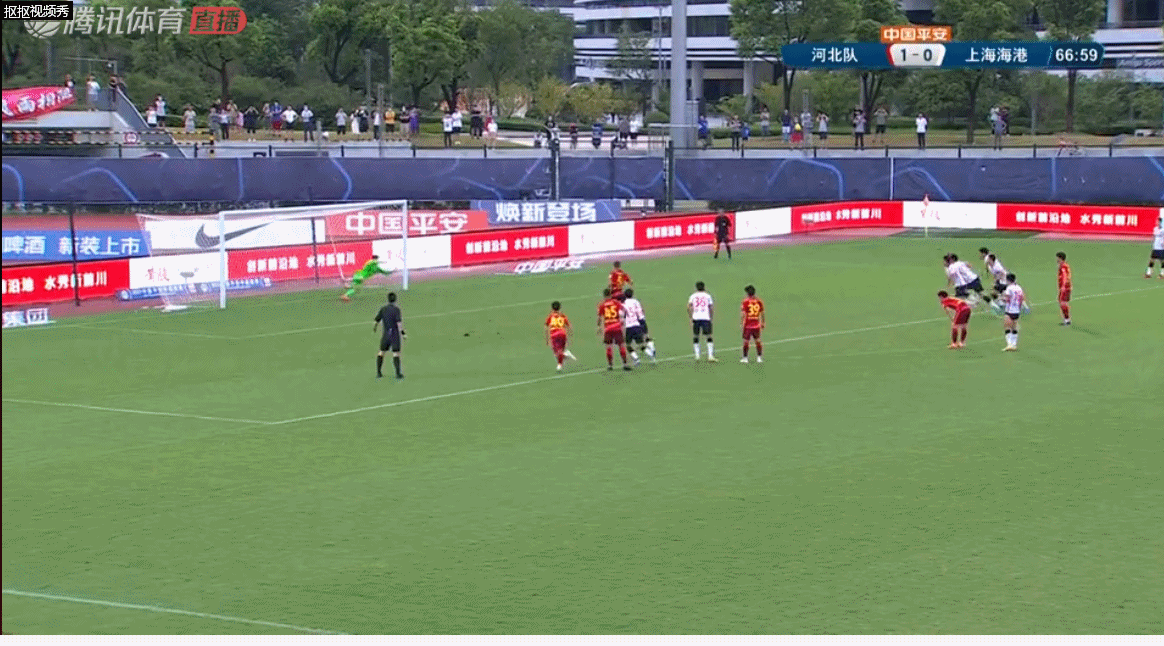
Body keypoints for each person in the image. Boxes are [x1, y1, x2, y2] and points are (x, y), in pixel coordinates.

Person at [597, 288, 632, 371]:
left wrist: (598, 327)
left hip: (608, 328)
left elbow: (599, 317)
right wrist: (623, 320)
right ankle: (625, 364)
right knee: (621, 346)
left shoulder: (602, 305)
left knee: (608, 347)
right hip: (617, 327)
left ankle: (610, 365)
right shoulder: (616, 302)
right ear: (610, 295)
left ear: (604, 295)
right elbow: (623, 310)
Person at [373, 291, 406, 379]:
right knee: (396, 353)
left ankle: (379, 373)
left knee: (381, 352)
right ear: (395, 299)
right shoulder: (396, 310)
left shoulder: (383, 309)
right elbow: (399, 323)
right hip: (394, 334)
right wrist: (403, 333)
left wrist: (375, 327)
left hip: (386, 334)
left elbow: (376, 320)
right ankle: (398, 374)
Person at [620, 288, 656, 365]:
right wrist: (642, 322)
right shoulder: (636, 302)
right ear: (632, 294)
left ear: (625, 295)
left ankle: (636, 359)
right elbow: (640, 312)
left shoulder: (623, 304)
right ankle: (651, 354)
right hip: (637, 325)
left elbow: (621, 315)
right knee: (640, 345)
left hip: (629, 327)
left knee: (628, 345)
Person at [1001, 273, 1030, 352]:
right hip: (1017, 310)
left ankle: (1009, 344)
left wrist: (1001, 298)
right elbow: (1021, 298)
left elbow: (1007, 299)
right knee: (1014, 327)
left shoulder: (1009, 288)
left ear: (1008, 280)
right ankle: (1014, 344)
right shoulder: (1019, 287)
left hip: (1009, 310)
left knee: (1007, 327)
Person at [545, 301, 577, 372]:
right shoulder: (563, 316)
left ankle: (560, 365)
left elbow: (546, 327)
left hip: (554, 335)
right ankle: (565, 355)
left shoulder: (550, 316)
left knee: (557, 352)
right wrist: (570, 334)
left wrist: (547, 338)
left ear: (552, 308)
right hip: (563, 334)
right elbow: (569, 325)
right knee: (560, 351)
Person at [688, 281, 716, 362]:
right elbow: (711, 307)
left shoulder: (693, 296)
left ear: (696, 288)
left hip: (696, 318)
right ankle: (710, 356)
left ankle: (697, 356)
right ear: (704, 287)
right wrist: (711, 317)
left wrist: (691, 317)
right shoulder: (708, 296)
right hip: (705, 318)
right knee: (708, 336)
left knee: (696, 336)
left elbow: (689, 306)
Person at [740, 284, 765, 363]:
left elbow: (743, 313)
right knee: (758, 340)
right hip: (756, 324)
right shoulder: (759, 301)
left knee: (746, 341)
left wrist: (741, 322)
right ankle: (759, 358)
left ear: (747, 293)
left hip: (748, 325)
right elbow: (762, 313)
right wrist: (763, 322)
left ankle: (745, 358)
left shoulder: (745, 302)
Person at [1056, 251, 1072, 326]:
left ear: (1060, 258)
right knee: (1063, 302)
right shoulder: (1065, 265)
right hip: (1067, 287)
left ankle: (1067, 320)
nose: (1056, 259)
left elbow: (1064, 276)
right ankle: (1067, 319)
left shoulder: (1063, 266)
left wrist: (1063, 286)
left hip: (1065, 288)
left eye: (1057, 258)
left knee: (1062, 302)